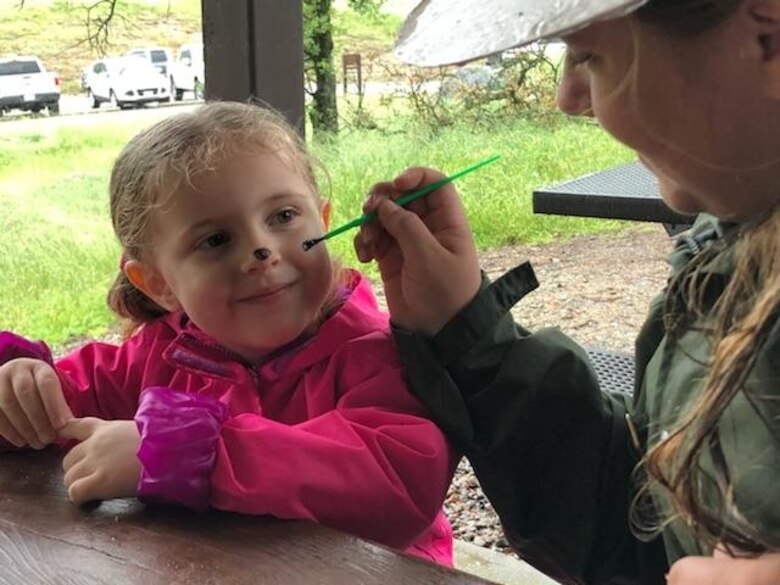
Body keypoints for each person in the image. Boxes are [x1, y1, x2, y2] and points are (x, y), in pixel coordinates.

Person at [354, 0, 780, 583]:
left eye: (588, 55)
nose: (568, 98)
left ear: (769, 36)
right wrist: (467, 332)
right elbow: (644, 524)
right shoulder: (725, 258)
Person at [0, 101, 457, 565]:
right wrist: (20, 389)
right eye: (216, 240)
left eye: (282, 216)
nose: (262, 249)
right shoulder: (163, 352)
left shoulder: (372, 351)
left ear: (322, 218)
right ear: (157, 283)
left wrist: (187, 454)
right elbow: (61, 403)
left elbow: (398, 482)